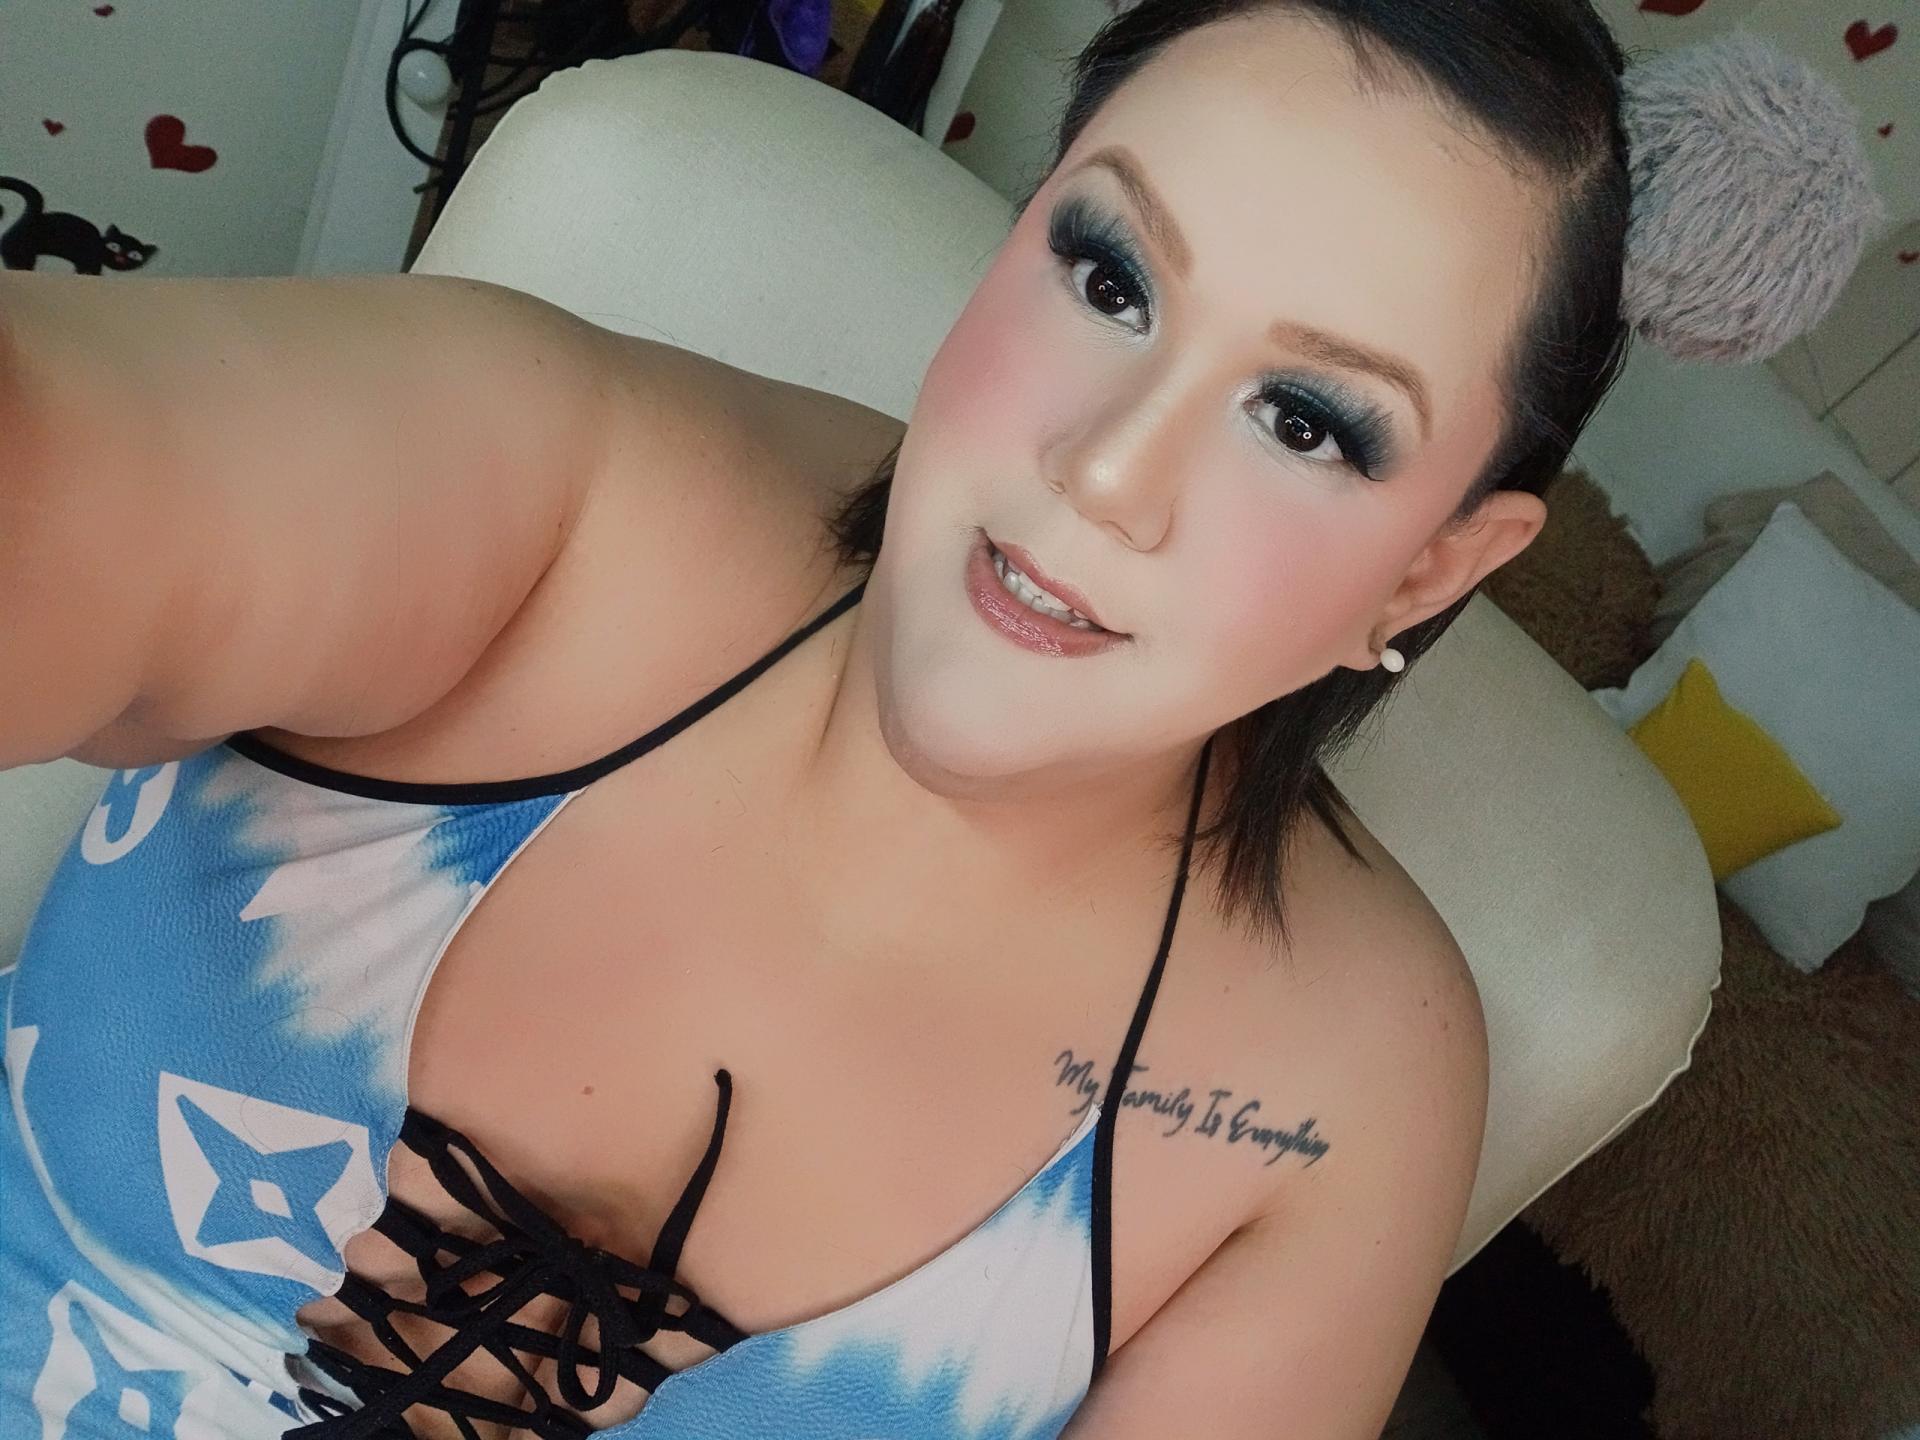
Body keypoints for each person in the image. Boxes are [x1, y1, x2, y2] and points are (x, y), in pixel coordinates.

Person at [0, 2, 1874, 1436]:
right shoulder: (544, 485)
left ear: (1435, 568)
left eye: (1308, 422)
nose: (1104, 471)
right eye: (1109, 275)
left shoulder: (1340, 1098)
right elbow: (71, 469)